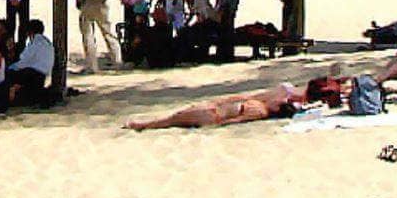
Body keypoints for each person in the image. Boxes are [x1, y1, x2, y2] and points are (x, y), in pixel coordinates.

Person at [125, 82, 307, 131]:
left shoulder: (259, 111)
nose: (278, 100)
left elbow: (237, 119)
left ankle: (142, 125)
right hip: (213, 110)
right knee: (177, 117)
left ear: (277, 110)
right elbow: (238, 99)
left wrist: (217, 125)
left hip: (213, 115)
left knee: (173, 119)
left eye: (280, 103)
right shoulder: (260, 105)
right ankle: (144, 124)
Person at [8, 19, 56, 106]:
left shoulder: (35, 42)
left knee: (8, 75)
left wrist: (11, 67)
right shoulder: (47, 42)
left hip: (33, 73)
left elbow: (24, 59)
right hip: (43, 74)